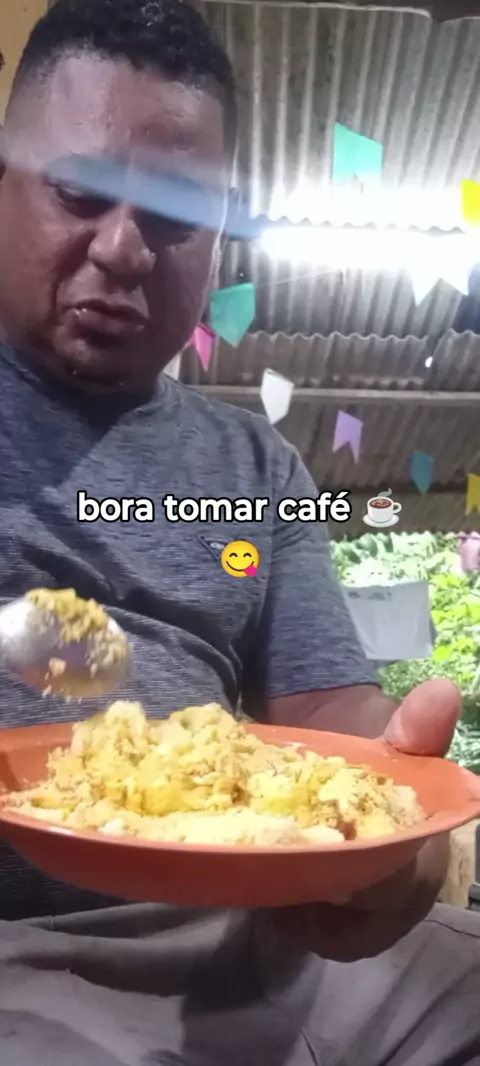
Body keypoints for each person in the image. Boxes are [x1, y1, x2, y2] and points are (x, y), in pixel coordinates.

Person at [0, 1, 478, 1063]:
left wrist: (392, 812)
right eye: (78, 192)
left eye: (176, 218)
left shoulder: (256, 467)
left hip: (267, 934)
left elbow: (327, 710)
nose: (124, 248)